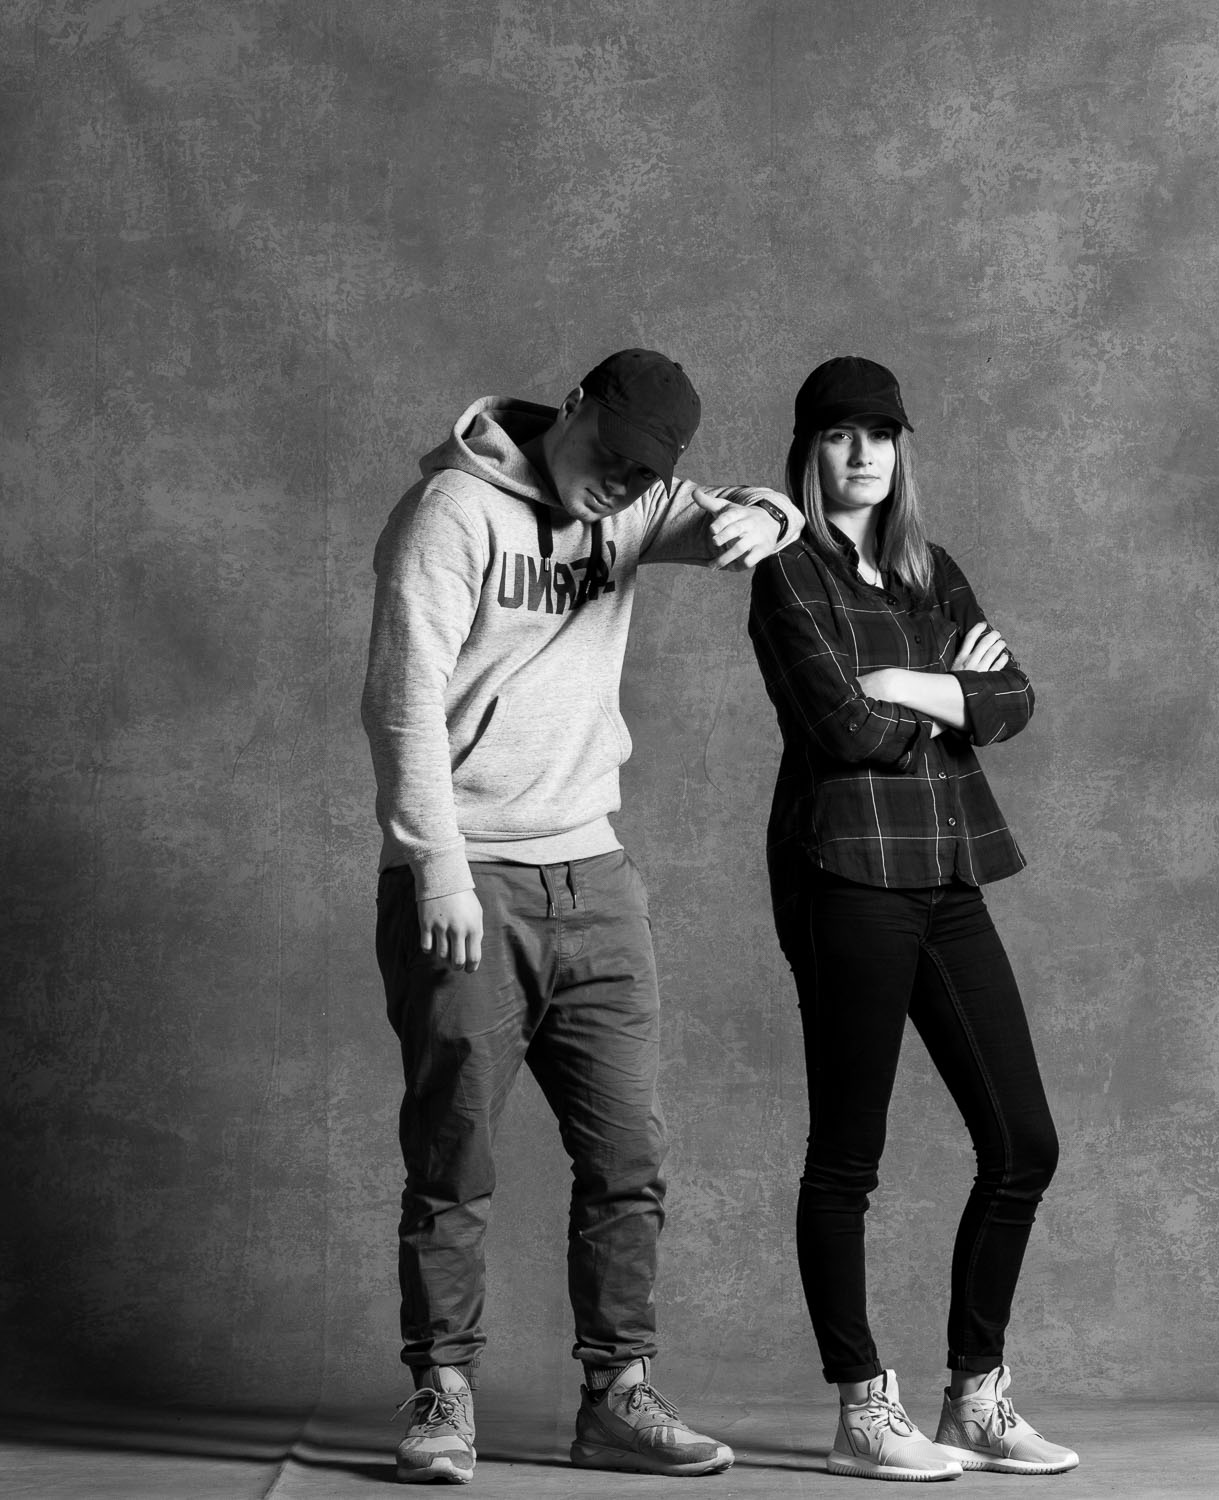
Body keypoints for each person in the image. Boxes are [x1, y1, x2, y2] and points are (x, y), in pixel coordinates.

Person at [361, 348, 800, 1485]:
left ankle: (617, 1397)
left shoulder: (634, 505)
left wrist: (771, 515)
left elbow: (745, 513)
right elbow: (401, 702)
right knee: (454, 1155)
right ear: (573, 408)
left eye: (643, 472)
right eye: (609, 455)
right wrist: (438, 869)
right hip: (469, 876)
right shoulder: (451, 513)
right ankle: (442, 1393)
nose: (618, 484)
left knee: (628, 1157)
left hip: (594, 878)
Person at [747, 356, 1079, 1482]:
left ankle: (975, 1397)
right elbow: (844, 730)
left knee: (1023, 1144)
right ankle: (862, 1409)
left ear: (901, 449)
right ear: (810, 448)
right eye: (841, 435)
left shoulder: (931, 570)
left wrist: (904, 685)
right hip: (846, 876)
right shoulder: (785, 571)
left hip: (947, 870)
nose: (863, 454)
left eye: (882, 434)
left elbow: (1013, 699)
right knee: (848, 1157)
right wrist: (947, 693)